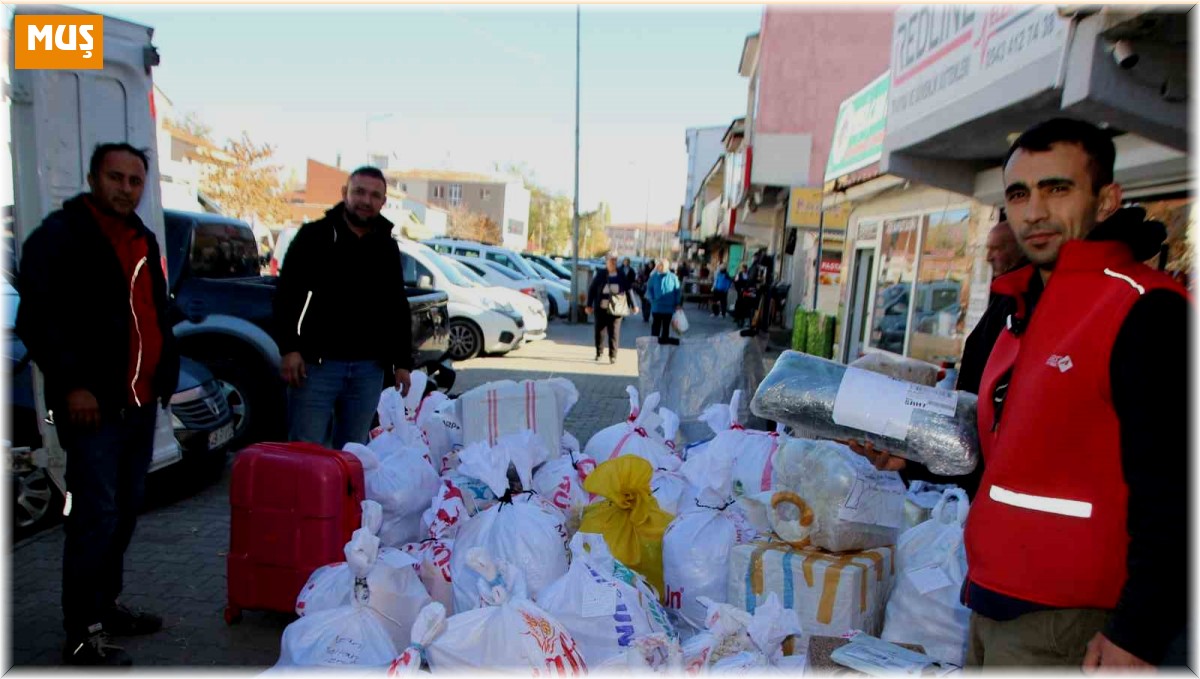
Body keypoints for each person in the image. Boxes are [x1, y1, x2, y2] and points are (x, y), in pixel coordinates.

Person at [855, 118, 1188, 669]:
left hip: (1073, 617)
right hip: (992, 597)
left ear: (1106, 200)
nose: (1034, 211)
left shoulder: (1146, 311)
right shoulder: (1017, 312)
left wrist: (1137, 634)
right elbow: (1004, 461)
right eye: (1019, 193)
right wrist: (912, 461)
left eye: (1057, 188)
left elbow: (1177, 491)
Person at [16, 143, 181, 666]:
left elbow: (150, 311)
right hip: (91, 407)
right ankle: (81, 632)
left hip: (139, 403)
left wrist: (166, 368)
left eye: (135, 180)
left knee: (125, 511)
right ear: (93, 178)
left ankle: (105, 607)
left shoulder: (141, 236)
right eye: (116, 177)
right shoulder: (59, 238)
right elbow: (39, 322)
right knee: (95, 516)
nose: (125, 188)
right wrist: (72, 386)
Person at [272, 166, 413, 449]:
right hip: (317, 367)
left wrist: (402, 363)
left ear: (383, 202)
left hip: (368, 370)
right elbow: (287, 295)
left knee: (354, 452)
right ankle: (308, 496)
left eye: (375, 195)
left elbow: (396, 306)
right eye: (359, 191)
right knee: (306, 449)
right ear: (344, 193)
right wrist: (289, 348)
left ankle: (341, 496)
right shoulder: (315, 236)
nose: (366, 200)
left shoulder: (386, 246)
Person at [586, 255, 638, 364]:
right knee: (599, 332)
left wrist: (634, 305)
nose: (613, 263)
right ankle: (599, 353)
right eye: (611, 261)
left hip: (616, 309)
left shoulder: (621, 274)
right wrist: (589, 305)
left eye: (614, 261)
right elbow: (592, 289)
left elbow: (629, 290)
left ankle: (612, 355)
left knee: (614, 333)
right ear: (607, 263)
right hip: (601, 308)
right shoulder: (601, 274)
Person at [646, 260, 682, 344]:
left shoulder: (673, 277)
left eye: (662, 266)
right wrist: (652, 299)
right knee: (655, 328)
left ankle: (663, 345)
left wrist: (677, 303)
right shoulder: (654, 277)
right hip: (657, 307)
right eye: (659, 265)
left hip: (668, 307)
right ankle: (654, 345)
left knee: (666, 328)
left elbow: (677, 291)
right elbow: (649, 289)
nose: (660, 267)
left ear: (666, 266)